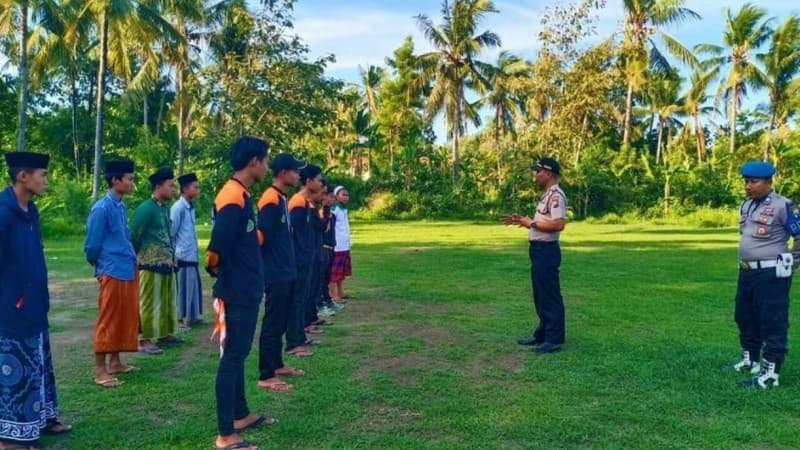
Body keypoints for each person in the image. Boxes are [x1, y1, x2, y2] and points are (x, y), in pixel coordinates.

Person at [207, 136, 275, 450]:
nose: (268, 166)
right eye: (266, 160)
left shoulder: (242, 194)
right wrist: (223, 275)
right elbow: (216, 249)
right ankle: (225, 434)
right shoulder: (232, 196)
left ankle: (240, 415)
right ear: (254, 161)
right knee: (232, 359)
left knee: (238, 355)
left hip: (246, 288)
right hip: (237, 292)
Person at [0, 152, 72, 449]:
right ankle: (10, 438)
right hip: (10, 308)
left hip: (34, 304)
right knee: (14, 371)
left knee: (38, 366)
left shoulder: (31, 212)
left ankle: (40, 420)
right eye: (42, 174)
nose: (46, 180)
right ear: (23, 176)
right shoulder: (3, 212)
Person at [728, 161, 800, 389]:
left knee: (772, 322)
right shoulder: (746, 205)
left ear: (769, 182)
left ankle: (771, 374)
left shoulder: (783, 205)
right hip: (747, 272)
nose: (748, 186)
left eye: (753, 182)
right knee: (744, 316)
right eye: (746, 181)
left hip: (772, 274)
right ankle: (750, 361)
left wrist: (790, 263)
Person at [85, 159, 141, 387]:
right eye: (129, 179)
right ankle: (101, 371)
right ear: (115, 180)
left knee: (124, 317)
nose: (132, 183)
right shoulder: (102, 208)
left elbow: (123, 236)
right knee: (108, 319)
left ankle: (116, 362)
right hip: (111, 269)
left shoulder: (121, 205)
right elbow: (92, 245)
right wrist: (102, 267)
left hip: (126, 268)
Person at [504, 157, 567, 354]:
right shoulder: (546, 195)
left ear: (548, 173)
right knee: (540, 294)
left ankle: (554, 339)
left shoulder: (556, 195)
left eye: (538, 171)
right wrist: (525, 221)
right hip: (539, 251)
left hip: (547, 251)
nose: (536, 175)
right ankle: (542, 333)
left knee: (549, 294)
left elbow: (558, 224)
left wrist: (530, 223)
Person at [257, 152, 306, 393]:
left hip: (286, 269)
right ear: (284, 173)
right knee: (273, 321)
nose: (299, 176)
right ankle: (266, 374)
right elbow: (261, 236)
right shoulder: (270, 199)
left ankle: (277, 364)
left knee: (281, 320)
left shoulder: (282, 198)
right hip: (275, 272)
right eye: (296, 171)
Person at [130, 168, 179, 354]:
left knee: (166, 300)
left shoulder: (165, 209)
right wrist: (137, 258)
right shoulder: (146, 208)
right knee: (149, 302)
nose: (173, 189)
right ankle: (144, 339)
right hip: (149, 263)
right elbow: (134, 235)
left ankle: (164, 332)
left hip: (167, 262)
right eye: (170, 185)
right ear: (158, 187)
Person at [285, 164, 324, 358]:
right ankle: (293, 342)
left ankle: (300, 336)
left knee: (302, 298)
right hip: (298, 260)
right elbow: (291, 233)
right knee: (296, 300)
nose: (320, 183)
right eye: (318, 179)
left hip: (307, 258)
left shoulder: (307, 202)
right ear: (308, 182)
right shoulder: (298, 202)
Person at [171, 172, 203, 332]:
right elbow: (172, 231)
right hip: (182, 254)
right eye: (195, 187)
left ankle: (193, 315)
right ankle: (179, 319)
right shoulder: (178, 208)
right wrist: (174, 254)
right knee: (182, 287)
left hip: (191, 254)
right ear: (185, 189)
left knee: (192, 284)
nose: (198, 190)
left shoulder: (190, 208)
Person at [317, 185, 338, 317]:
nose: (331, 200)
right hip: (323, 248)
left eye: (333, 197)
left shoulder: (333, 215)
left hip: (331, 249)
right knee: (319, 279)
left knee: (326, 278)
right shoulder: (320, 214)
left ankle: (328, 300)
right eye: (329, 196)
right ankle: (319, 305)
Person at [330, 186, 352, 303]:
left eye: (347, 195)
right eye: (343, 194)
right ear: (336, 196)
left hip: (344, 244)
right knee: (334, 271)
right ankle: (333, 294)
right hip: (337, 245)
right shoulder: (334, 209)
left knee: (341, 271)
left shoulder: (344, 209)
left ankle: (340, 291)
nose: (346, 197)